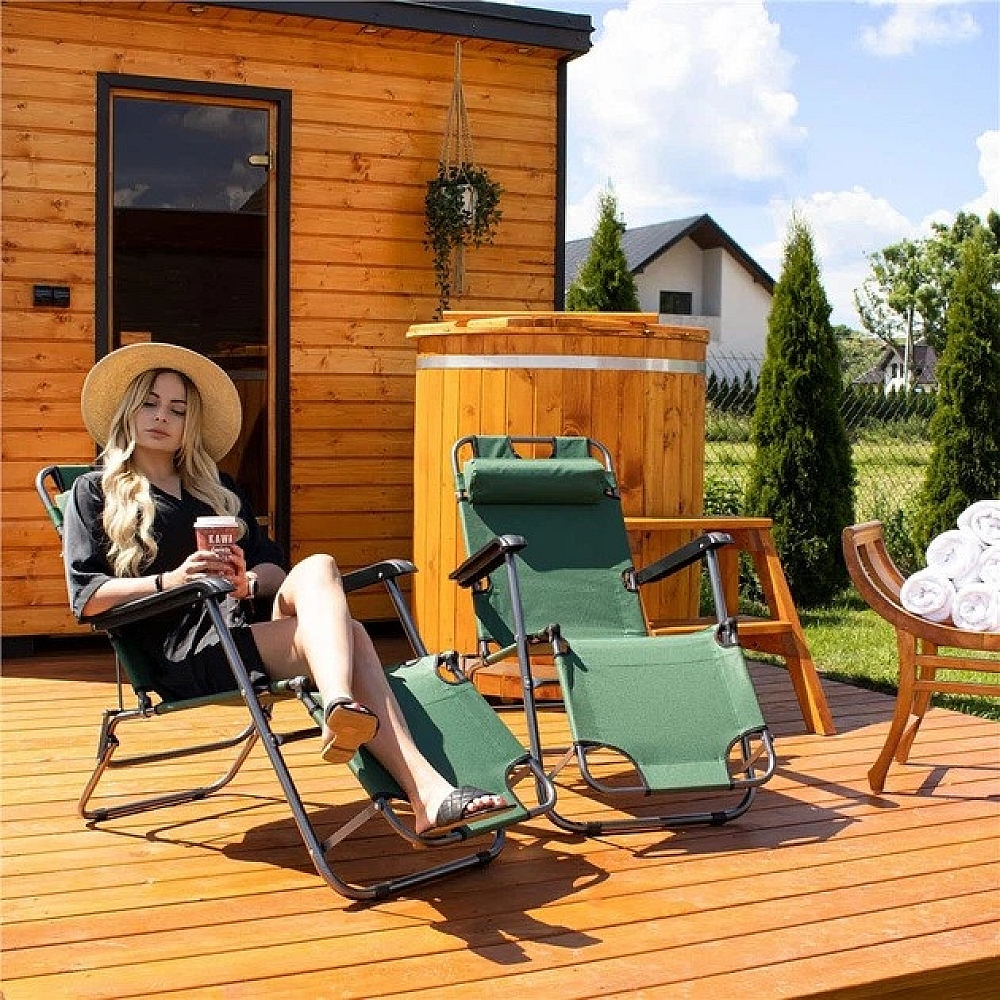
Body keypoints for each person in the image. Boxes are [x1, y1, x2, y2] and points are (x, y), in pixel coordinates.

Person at [63, 341, 510, 837]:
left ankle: (342, 707)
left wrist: (246, 581)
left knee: (319, 565)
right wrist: (174, 580)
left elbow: (274, 569)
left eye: (178, 409)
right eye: (149, 403)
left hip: (243, 626)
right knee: (354, 635)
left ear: (191, 424)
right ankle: (421, 786)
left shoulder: (217, 491)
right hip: (188, 651)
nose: (162, 417)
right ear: (128, 410)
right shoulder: (94, 492)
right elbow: (87, 597)